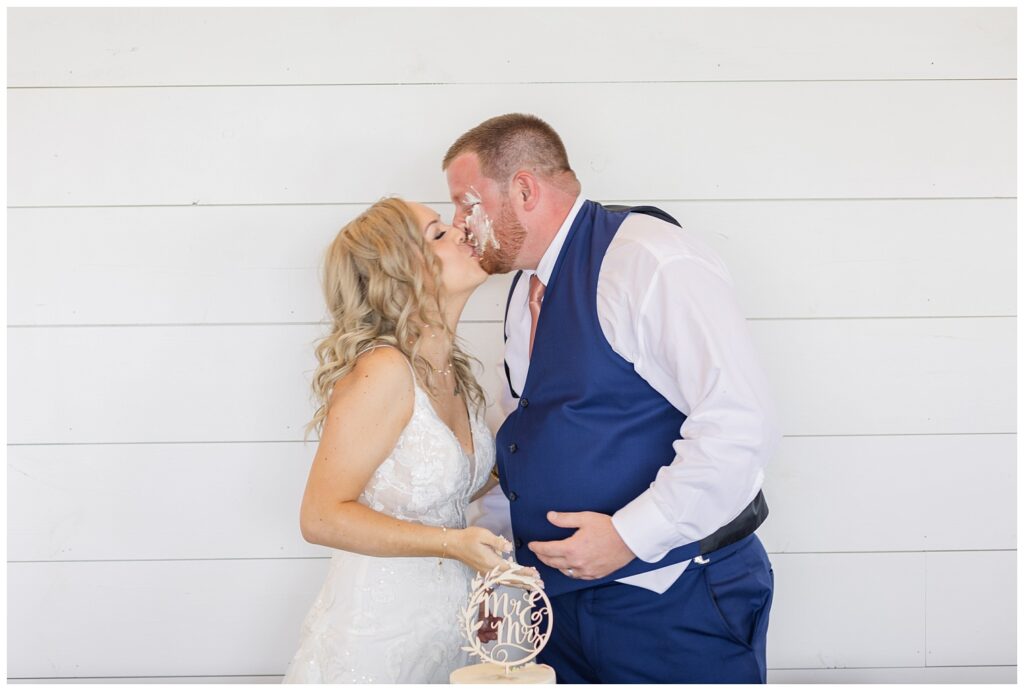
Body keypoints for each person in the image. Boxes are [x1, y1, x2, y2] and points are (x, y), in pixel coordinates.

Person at [443, 114, 781, 683]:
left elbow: (739, 424)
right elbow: (526, 432)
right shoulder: (525, 285)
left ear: (524, 189)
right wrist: (505, 571)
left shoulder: (651, 261)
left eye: (466, 203)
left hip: (672, 599)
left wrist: (630, 536)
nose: (459, 225)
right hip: (560, 612)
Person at [282, 198, 509, 683]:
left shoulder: (457, 374)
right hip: (377, 637)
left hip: (450, 630)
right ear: (399, 272)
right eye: (437, 234)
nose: (462, 232)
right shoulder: (384, 370)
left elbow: (445, 491)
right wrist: (454, 545)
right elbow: (321, 516)